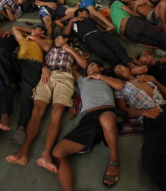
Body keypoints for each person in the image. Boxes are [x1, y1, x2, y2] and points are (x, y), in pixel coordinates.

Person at [6, 36, 87, 172]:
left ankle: (46, 154)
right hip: (47, 76)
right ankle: (23, 151)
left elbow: (83, 64)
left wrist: (68, 49)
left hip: (65, 77)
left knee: (57, 113)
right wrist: (44, 68)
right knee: (36, 111)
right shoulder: (50, 49)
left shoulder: (74, 49)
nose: (56, 40)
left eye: (59, 38)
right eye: (55, 39)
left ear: (66, 39)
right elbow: (44, 62)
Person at [51, 60, 122, 188]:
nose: (89, 67)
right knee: (57, 153)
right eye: (88, 66)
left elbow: (120, 86)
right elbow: (72, 69)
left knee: (105, 119)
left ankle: (114, 160)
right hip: (89, 118)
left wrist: (100, 77)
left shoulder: (108, 78)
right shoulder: (82, 80)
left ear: (101, 68)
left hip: (108, 111)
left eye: (93, 65)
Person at [6, 25, 52, 145]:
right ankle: (10, 81)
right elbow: (15, 28)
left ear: (42, 31)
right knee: (0, 53)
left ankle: (21, 127)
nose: (33, 30)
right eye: (32, 28)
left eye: (36, 28)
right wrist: (31, 33)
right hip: (20, 62)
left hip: (33, 65)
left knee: (27, 93)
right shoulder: (24, 39)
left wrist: (37, 37)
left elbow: (47, 48)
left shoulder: (46, 40)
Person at [64, 9, 144, 72]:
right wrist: (71, 22)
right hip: (88, 37)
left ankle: (131, 65)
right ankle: (121, 68)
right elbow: (66, 34)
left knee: (117, 46)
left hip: (100, 33)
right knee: (105, 52)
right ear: (80, 12)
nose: (88, 15)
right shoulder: (73, 23)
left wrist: (101, 26)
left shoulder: (90, 19)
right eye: (86, 13)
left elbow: (102, 28)